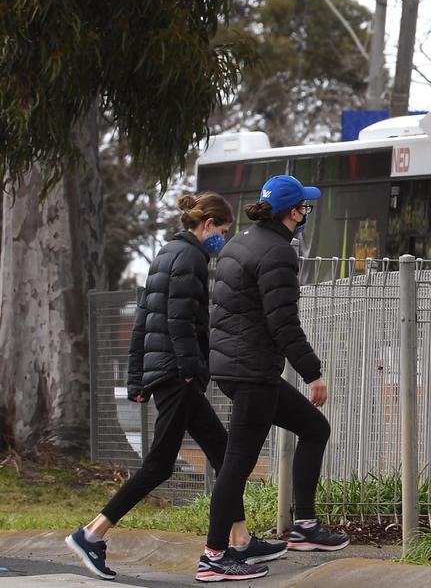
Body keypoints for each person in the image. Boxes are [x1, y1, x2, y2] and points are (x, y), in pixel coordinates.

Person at [66, 193, 287, 581]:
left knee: (222, 451)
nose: (222, 239)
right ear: (208, 224)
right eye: (222, 231)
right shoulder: (191, 258)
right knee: (159, 466)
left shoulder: (167, 253)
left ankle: (239, 539)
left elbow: (144, 319)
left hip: (170, 373)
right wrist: (191, 372)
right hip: (177, 376)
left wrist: (137, 377)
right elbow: (180, 322)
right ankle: (92, 534)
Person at [197, 175, 347, 583]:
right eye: (305, 207)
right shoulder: (278, 252)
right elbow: (283, 322)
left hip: (236, 367)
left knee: (314, 428)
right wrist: (313, 373)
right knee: (237, 463)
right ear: (293, 213)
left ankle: (305, 528)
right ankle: (214, 556)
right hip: (252, 373)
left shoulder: (238, 243)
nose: (306, 213)